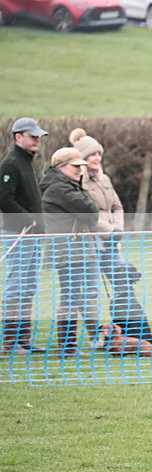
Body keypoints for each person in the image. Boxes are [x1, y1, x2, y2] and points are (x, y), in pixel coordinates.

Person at [40, 147, 99, 358]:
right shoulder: (59, 189)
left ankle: (69, 346)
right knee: (70, 298)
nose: (79, 170)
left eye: (80, 166)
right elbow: (91, 212)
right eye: (75, 166)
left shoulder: (66, 185)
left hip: (74, 249)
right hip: (69, 250)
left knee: (72, 296)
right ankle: (67, 347)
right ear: (61, 167)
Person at [70, 128, 125, 348]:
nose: (96, 158)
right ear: (81, 159)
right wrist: (108, 231)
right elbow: (86, 215)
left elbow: (117, 206)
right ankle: (95, 337)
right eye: (91, 154)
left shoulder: (106, 179)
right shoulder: (77, 183)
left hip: (113, 243)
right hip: (92, 243)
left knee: (123, 285)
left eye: (98, 154)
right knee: (90, 291)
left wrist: (118, 230)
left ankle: (124, 332)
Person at [1, 118, 48, 356]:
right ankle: (10, 342)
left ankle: (23, 339)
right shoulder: (10, 164)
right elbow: (4, 199)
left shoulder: (28, 162)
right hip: (17, 233)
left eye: (38, 136)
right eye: (32, 136)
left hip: (33, 234)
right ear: (18, 137)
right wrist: (26, 218)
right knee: (17, 286)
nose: (37, 140)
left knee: (28, 286)